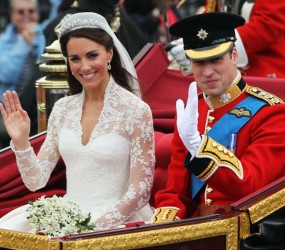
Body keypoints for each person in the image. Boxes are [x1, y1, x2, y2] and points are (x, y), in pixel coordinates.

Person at [0, 12, 155, 233]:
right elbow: (36, 181)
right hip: (68, 219)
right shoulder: (63, 109)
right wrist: (22, 142)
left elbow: (140, 191)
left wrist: (91, 229)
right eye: (75, 59)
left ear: (109, 53)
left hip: (117, 222)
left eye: (92, 56)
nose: (84, 67)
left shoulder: (136, 110)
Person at [152, 12, 285, 222]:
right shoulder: (191, 113)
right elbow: (176, 193)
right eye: (198, 63)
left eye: (216, 60)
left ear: (234, 56)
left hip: (249, 231)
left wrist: (200, 148)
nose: (207, 72)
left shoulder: (271, 112)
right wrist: (162, 230)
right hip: (200, 231)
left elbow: (250, 184)